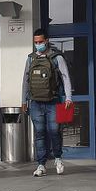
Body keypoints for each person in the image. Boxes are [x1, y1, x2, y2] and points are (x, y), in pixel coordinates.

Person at [21, 29, 73, 177]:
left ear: (46, 41)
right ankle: (41, 164)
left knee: (54, 131)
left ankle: (57, 158)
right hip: (35, 102)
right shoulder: (30, 59)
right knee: (40, 133)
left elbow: (65, 77)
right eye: (36, 42)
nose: (38, 44)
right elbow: (25, 81)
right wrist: (23, 100)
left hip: (54, 101)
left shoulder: (57, 58)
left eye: (40, 42)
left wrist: (68, 97)